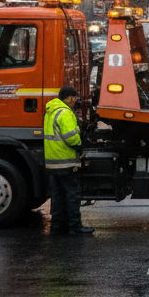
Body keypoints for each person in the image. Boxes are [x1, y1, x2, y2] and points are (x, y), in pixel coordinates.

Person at [43, 85, 93, 235]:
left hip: (53, 162)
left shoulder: (51, 111)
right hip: (66, 161)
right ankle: (75, 226)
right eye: (75, 98)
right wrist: (79, 145)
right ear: (70, 97)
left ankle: (58, 225)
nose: (75, 101)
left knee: (58, 195)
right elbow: (71, 137)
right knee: (72, 195)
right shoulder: (65, 113)